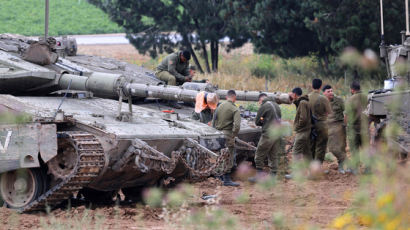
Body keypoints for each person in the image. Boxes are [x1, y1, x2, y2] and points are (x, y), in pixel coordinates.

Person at [248, 93, 282, 182]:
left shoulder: (264, 105)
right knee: (273, 155)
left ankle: (259, 176)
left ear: (261, 100)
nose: (260, 104)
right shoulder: (276, 105)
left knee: (259, 154)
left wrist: (263, 121)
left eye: (259, 102)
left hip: (268, 134)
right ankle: (273, 176)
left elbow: (257, 122)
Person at [212, 90, 241, 186]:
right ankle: (227, 179)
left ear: (226, 97)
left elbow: (213, 120)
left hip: (218, 134)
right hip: (228, 135)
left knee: (220, 155)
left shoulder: (219, 106)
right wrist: (233, 135)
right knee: (229, 156)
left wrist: (215, 131)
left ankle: (218, 175)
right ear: (235, 98)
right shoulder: (234, 109)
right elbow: (237, 126)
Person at [345, 81, 369, 173]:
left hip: (353, 128)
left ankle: (355, 168)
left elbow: (346, 116)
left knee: (354, 148)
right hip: (365, 126)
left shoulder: (350, 100)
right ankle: (368, 168)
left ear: (352, 90)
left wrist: (345, 126)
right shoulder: (367, 97)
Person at [322, 85, 346, 174]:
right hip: (325, 126)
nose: (331, 93)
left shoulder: (339, 100)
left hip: (338, 126)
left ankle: (341, 166)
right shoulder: (321, 101)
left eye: (331, 91)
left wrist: (345, 124)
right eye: (328, 91)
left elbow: (346, 111)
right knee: (322, 148)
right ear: (324, 93)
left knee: (340, 147)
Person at [308, 79, 331, 164]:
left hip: (310, 125)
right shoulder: (323, 98)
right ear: (321, 86)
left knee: (311, 146)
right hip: (322, 125)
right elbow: (329, 112)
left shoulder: (306, 97)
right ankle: (317, 168)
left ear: (312, 85)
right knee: (321, 147)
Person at [290, 87, 312, 161]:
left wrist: (297, 127)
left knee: (296, 152)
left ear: (295, 94)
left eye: (292, 94)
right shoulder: (303, 101)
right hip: (306, 131)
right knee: (307, 152)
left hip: (302, 131)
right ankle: (312, 170)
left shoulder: (302, 103)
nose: (291, 96)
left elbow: (303, 118)